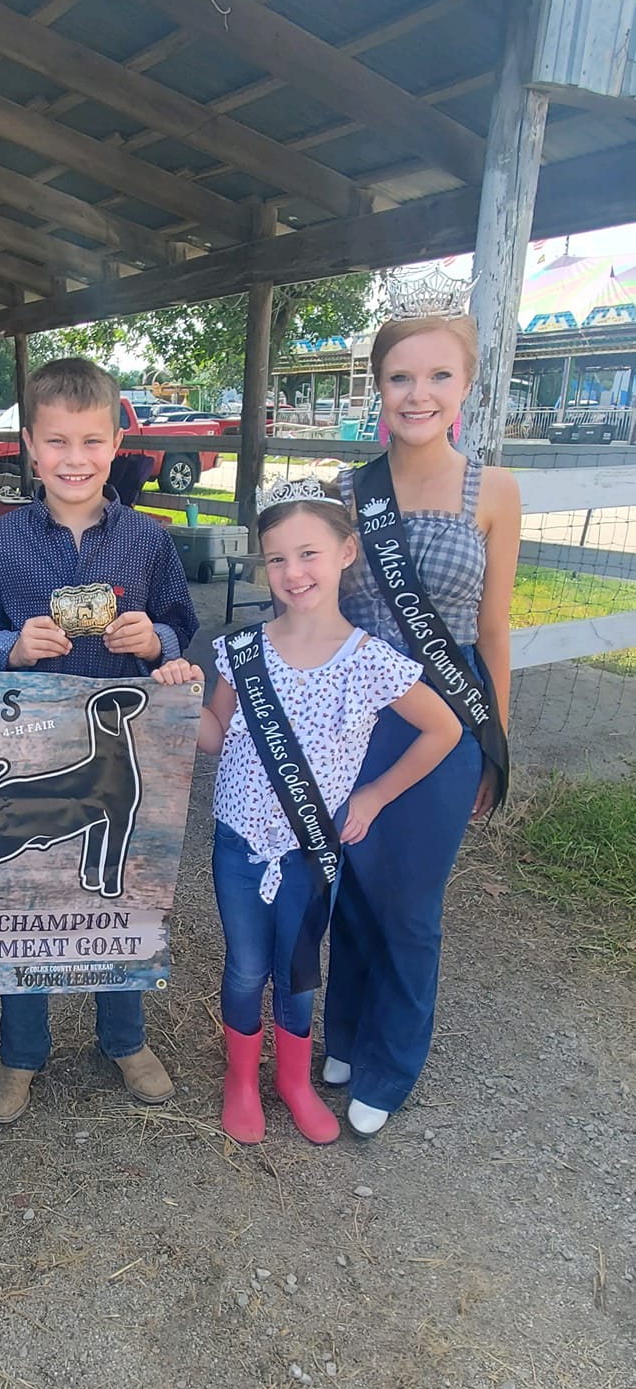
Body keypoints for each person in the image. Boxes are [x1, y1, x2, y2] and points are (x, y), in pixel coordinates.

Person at [155, 477, 461, 1147]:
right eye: (276, 559)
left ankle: (291, 1081)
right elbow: (212, 736)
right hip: (237, 843)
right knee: (242, 967)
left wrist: (374, 796)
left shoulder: (371, 662)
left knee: (295, 976)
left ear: (346, 551)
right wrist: (180, 692)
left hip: (309, 850)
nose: (292, 573)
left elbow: (445, 730)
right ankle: (242, 1080)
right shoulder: (240, 651)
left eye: (308, 554)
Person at [0, 355, 198, 1123]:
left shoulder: (148, 541)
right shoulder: (3, 543)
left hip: (121, 743)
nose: (73, 459)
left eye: (90, 442)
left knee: (118, 887)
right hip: (33, 746)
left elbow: (181, 627)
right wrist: (12, 650)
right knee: (25, 894)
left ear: (115, 440)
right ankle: (21, 1054)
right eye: (57, 442)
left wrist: (152, 637)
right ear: (30, 444)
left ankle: (122, 1037)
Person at [322, 311, 521, 1136]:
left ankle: (391, 1059)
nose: (419, 393)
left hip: (445, 719)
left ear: (465, 387)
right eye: (401, 376)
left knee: (408, 900)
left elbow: (493, 630)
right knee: (351, 887)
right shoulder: (346, 492)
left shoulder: (495, 491)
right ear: (378, 386)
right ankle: (343, 1032)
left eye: (439, 376)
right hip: (353, 713)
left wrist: (495, 746)